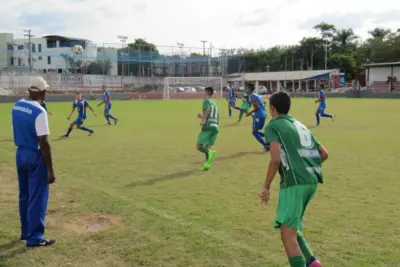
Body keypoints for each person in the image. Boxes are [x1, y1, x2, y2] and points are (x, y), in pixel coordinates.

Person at [261, 91, 328, 267]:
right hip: (311, 180)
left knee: (287, 234)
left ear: (272, 108)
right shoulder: (299, 124)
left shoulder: (273, 125)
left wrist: (266, 186)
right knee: (290, 225)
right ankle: (313, 263)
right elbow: (324, 153)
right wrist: (305, 168)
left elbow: (275, 159)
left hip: (294, 183)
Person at [11, 76, 56, 247]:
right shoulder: (39, 111)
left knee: (25, 194)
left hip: (20, 153)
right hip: (35, 156)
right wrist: (51, 169)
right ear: (43, 91)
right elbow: (44, 142)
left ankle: (25, 230)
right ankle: (35, 237)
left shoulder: (17, 106)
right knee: (37, 196)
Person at [196, 87, 218, 171]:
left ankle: (210, 153)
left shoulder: (206, 101)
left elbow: (208, 110)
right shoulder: (214, 103)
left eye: (204, 92)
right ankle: (207, 165)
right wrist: (202, 117)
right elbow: (212, 115)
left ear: (207, 93)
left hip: (208, 126)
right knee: (207, 147)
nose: (203, 94)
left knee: (198, 146)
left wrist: (202, 120)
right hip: (215, 127)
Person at [245, 83, 269, 151]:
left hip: (259, 115)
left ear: (250, 89)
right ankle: (269, 138)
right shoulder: (257, 95)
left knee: (254, 132)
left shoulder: (252, 96)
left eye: (247, 88)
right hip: (263, 114)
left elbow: (257, 107)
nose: (246, 90)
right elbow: (264, 103)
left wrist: (249, 113)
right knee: (256, 131)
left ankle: (266, 146)